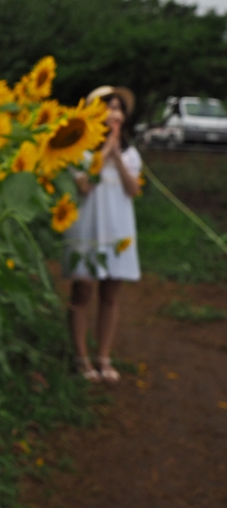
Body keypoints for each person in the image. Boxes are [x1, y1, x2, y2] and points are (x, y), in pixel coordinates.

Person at [64, 86, 142, 383]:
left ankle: (104, 355)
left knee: (111, 291)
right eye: (109, 107)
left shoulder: (130, 154)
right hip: (87, 226)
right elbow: (85, 186)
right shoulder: (78, 150)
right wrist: (105, 150)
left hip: (118, 227)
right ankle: (81, 357)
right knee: (82, 289)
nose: (115, 114)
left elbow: (133, 189)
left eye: (119, 108)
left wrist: (116, 155)